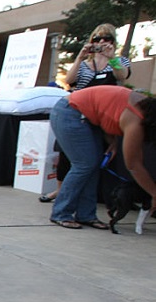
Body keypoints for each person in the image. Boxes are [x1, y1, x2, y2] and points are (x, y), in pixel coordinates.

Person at [40, 23, 132, 204]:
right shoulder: (84, 64)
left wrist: (112, 58)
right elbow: (69, 80)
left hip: (104, 114)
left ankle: (93, 198)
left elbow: (122, 76)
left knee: (97, 157)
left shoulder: (119, 61)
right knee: (69, 155)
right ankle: (61, 192)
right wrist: (80, 57)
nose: (102, 42)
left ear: (113, 41)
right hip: (78, 112)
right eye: (97, 39)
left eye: (107, 39)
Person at [48, 86, 154, 229]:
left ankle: (86, 215)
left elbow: (108, 111)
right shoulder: (136, 120)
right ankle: (60, 213)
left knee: (93, 165)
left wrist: (113, 141)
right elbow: (134, 165)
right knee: (84, 165)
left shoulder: (146, 108)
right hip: (70, 111)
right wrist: (154, 193)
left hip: (87, 116)